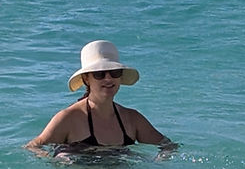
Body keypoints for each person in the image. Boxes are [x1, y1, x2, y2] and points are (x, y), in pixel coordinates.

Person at [24, 40, 177, 153]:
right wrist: (58, 163)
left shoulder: (132, 119)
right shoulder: (69, 118)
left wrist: (157, 164)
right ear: (86, 79)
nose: (108, 79)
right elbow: (33, 147)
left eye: (114, 72)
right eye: (99, 74)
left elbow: (168, 145)